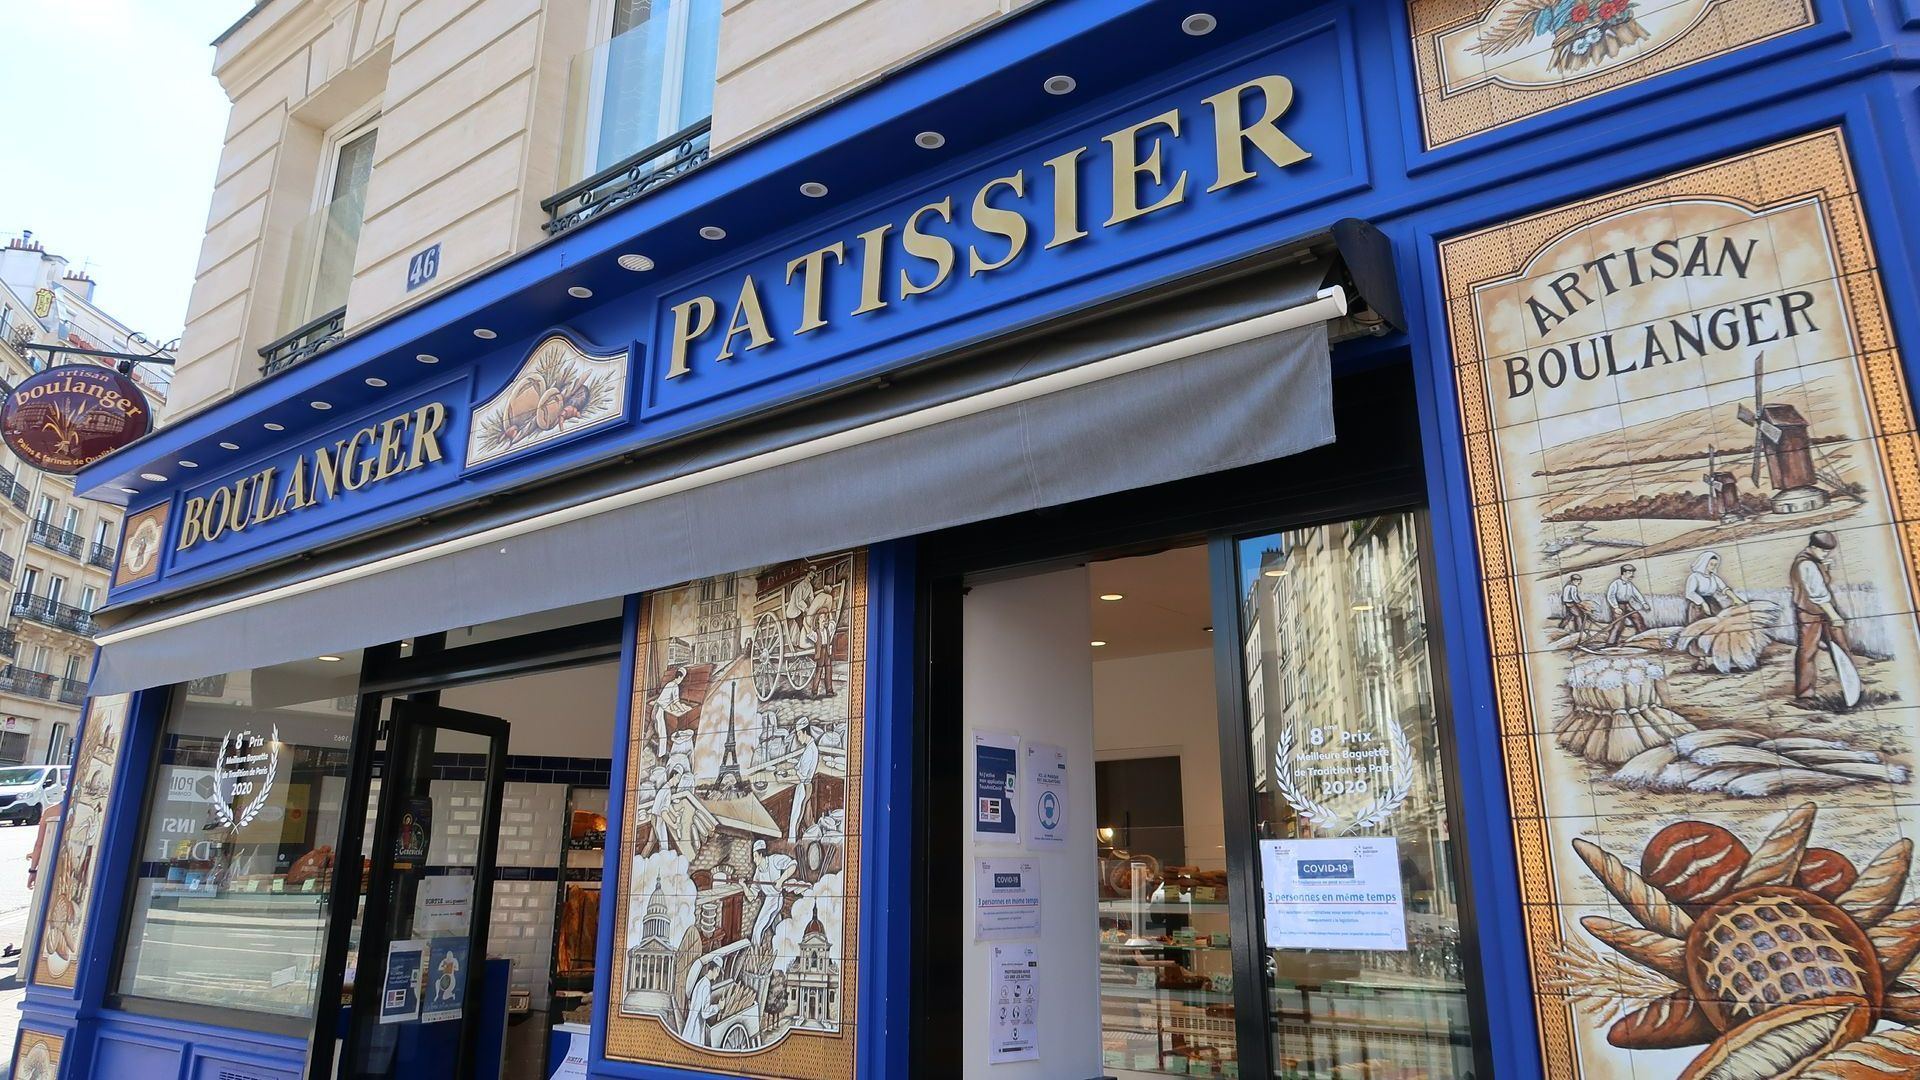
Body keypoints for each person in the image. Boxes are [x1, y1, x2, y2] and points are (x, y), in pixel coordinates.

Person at [1791, 530, 1853, 699]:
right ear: (1813, 547)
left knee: (1841, 647)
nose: (1826, 554)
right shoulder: (1806, 564)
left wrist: (1824, 566)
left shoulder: (1813, 560)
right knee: (1808, 652)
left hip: (1821, 610)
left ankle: (1853, 688)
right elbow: (1818, 595)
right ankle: (1805, 694)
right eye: (1823, 551)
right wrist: (1834, 616)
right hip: (1810, 613)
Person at [748, 839, 797, 949]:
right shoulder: (758, 873)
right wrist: (743, 886)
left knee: (757, 929)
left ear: (761, 854)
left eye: (755, 856)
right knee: (777, 928)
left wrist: (781, 880)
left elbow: (793, 864)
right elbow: (751, 896)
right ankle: (782, 950)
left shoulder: (774, 860)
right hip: (769, 899)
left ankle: (754, 956)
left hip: (775, 899)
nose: (754, 859)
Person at [1683, 550, 1746, 623]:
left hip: (1712, 603)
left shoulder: (1714, 577)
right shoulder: (1694, 577)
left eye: (1715, 565)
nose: (1713, 567)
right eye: (1711, 564)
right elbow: (1690, 593)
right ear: (1705, 563)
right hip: (1697, 605)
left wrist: (1736, 599)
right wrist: (1703, 603)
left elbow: (1724, 589)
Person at [787, 718, 819, 843]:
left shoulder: (809, 751)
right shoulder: (811, 748)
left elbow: (801, 776)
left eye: (799, 734)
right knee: (804, 817)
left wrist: (785, 779)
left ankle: (792, 843)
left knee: (795, 818)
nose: (798, 738)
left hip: (803, 787)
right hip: (806, 786)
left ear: (805, 733)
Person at [1604, 563, 1652, 644]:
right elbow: (1610, 596)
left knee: (1637, 618)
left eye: (1632, 573)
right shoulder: (1615, 583)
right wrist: (1616, 607)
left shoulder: (1630, 584)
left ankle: (1643, 638)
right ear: (1624, 573)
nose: (1632, 575)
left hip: (1627, 605)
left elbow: (1637, 594)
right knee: (1619, 624)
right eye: (1630, 573)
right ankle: (1610, 643)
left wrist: (1643, 603)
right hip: (1618, 605)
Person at [652, 666, 692, 758]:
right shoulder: (675, 686)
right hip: (659, 710)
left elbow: (667, 699)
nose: (682, 680)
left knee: (659, 732)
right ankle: (661, 755)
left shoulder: (669, 683)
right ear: (680, 677)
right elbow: (676, 702)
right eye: (682, 678)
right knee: (662, 734)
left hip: (658, 708)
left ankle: (661, 752)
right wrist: (683, 710)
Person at [810, 610, 837, 698]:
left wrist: (829, 614)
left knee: (828, 670)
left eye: (824, 617)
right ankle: (814, 692)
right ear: (818, 620)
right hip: (820, 651)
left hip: (827, 651)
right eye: (821, 617)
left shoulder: (827, 630)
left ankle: (829, 691)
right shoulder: (816, 632)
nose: (823, 619)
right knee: (819, 671)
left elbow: (833, 624)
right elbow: (809, 634)